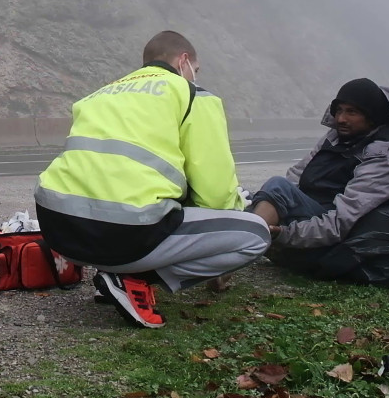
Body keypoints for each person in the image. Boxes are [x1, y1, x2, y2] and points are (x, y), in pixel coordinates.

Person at [34, 31, 270, 329]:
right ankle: (134, 278)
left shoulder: (98, 95)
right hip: (123, 232)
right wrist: (232, 213)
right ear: (184, 61)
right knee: (256, 235)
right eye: (195, 71)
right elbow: (216, 194)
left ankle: (113, 274)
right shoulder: (193, 95)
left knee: (145, 202)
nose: (194, 77)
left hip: (59, 229)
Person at [249, 78, 389, 249]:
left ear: (372, 117)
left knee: (277, 186)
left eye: (352, 112)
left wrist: (286, 233)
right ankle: (247, 239)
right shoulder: (333, 140)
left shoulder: (384, 162)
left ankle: (245, 246)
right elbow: (296, 177)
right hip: (308, 220)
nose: (341, 119)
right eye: (339, 110)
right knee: (250, 199)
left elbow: (340, 222)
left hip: (335, 236)